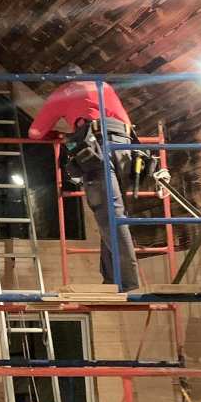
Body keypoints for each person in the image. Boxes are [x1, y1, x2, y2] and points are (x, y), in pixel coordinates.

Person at [28, 63, 139, 291]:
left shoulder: (64, 91)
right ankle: (112, 279)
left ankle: (128, 284)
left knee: (109, 216)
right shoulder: (103, 86)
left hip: (96, 150)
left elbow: (35, 132)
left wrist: (59, 134)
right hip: (125, 148)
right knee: (115, 215)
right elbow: (126, 121)